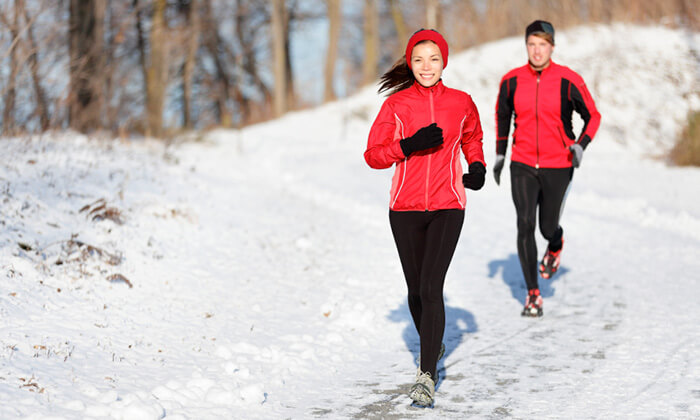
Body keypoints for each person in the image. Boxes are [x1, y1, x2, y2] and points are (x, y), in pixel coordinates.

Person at [364, 29, 485, 407]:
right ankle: (434, 341)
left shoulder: (461, 102)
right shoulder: (396, 106)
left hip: (449, 204)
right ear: (410, 64)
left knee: (432, 287)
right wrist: (409, 145)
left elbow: (472, 138)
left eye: (433, 58)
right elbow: (373, 155)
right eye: (418, 60)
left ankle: (426, 374)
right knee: (416, 290)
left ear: (444, 61)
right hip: (404, 209)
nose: (426, 66)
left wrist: (477, 166)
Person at [493, 20, 601, 317]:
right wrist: (501, 155)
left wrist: (580, 145)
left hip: (558, 164)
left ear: (552, 46)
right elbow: (503, 117)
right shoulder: (511, 81)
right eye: (531, 44)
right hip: (523, 163)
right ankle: (533, 294)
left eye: (542, 44)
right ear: (526, 46)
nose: (537, 51)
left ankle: (554, 243)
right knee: (525, 224)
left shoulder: (568, 80)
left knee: (546, 227)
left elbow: (593, 116)